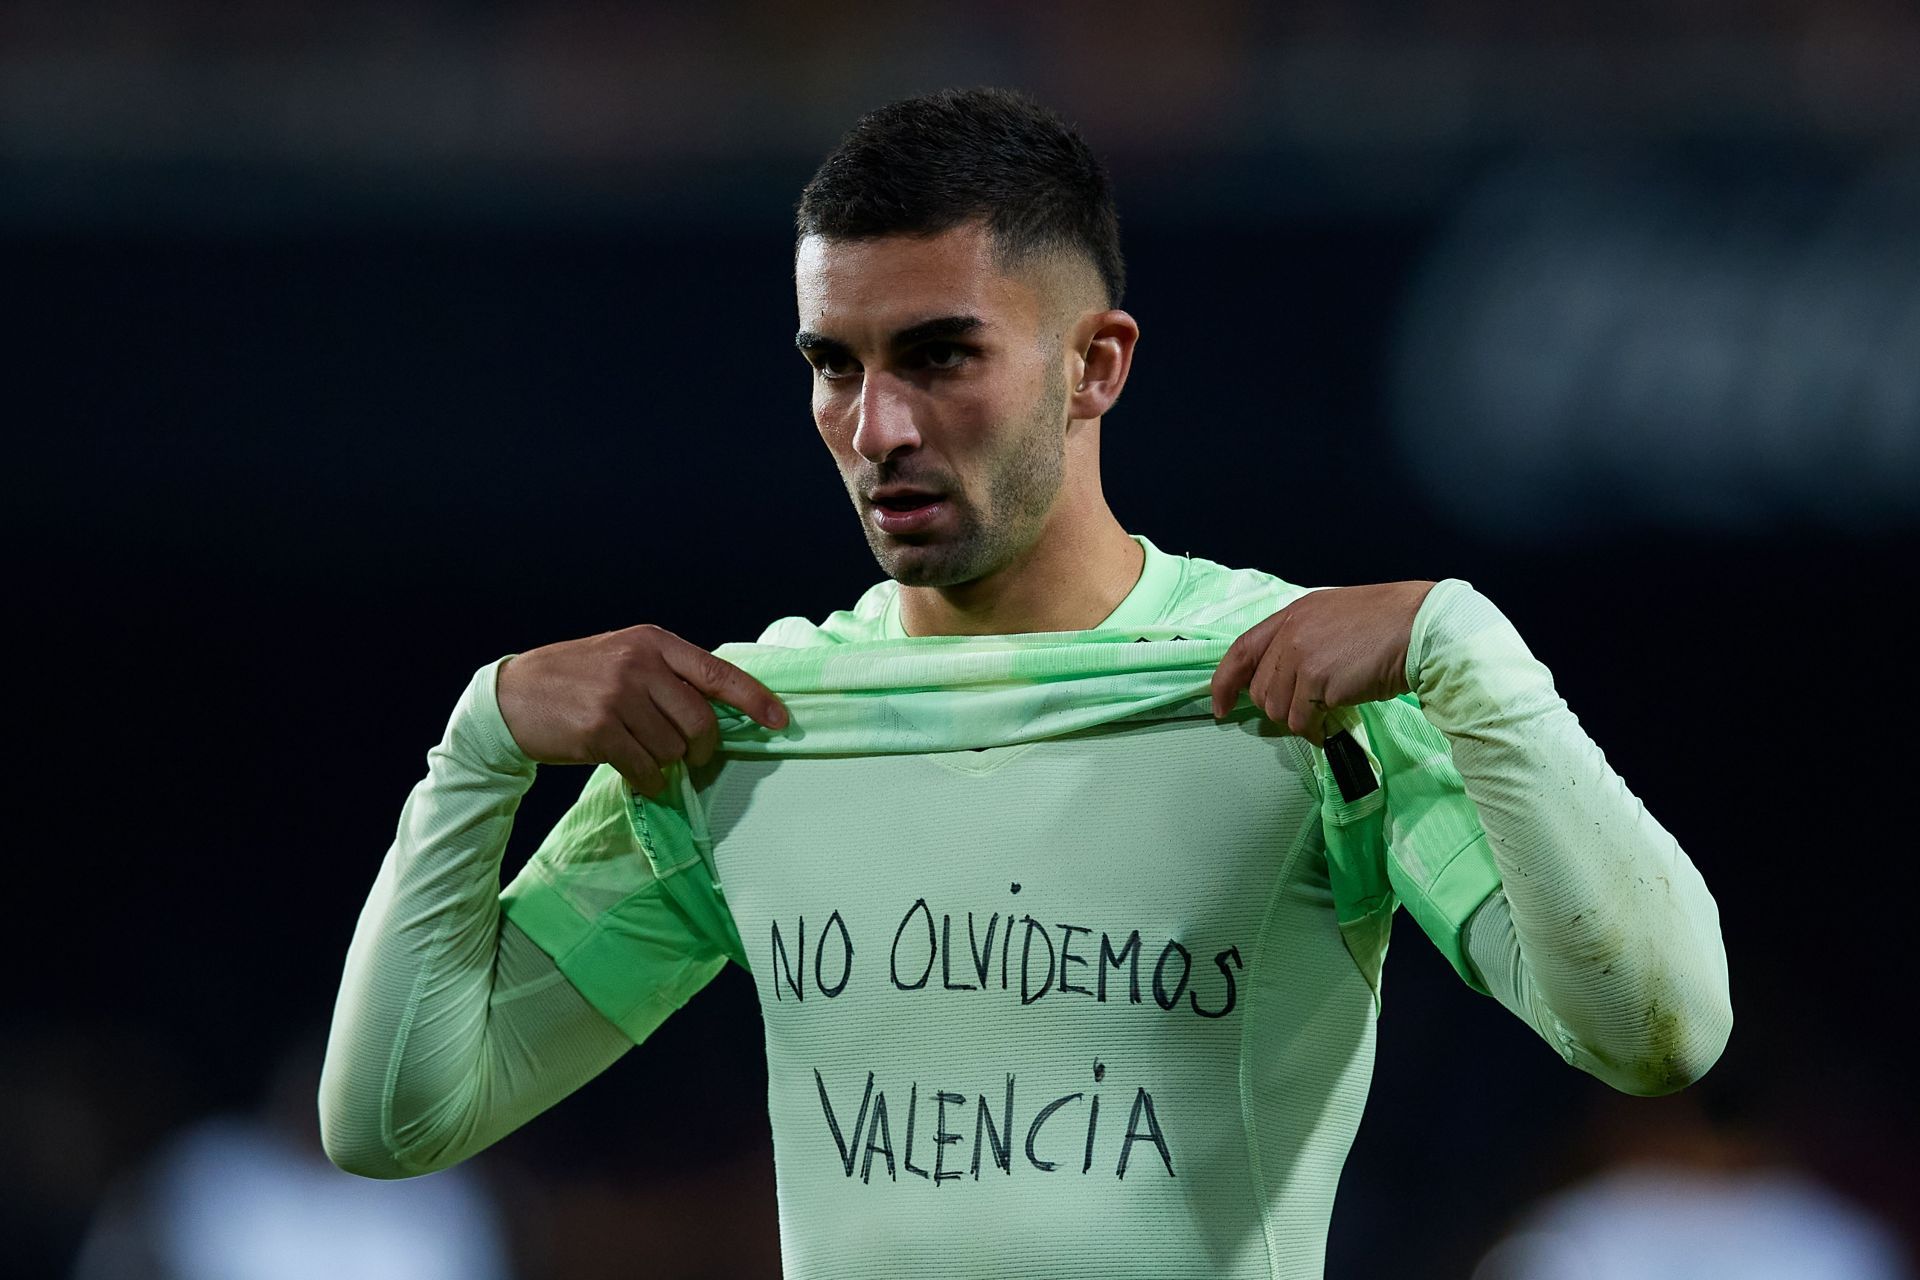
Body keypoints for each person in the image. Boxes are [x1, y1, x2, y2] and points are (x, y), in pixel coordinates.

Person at [319, 86, 1733, 1278]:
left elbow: (1657, 1030)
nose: (876, 427)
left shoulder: (1299, 697)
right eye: (834, 365)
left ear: (1094, 365)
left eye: (939, 356)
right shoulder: (751, 732)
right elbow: (393, 1117)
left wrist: (1471, 654)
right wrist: (479, 743)